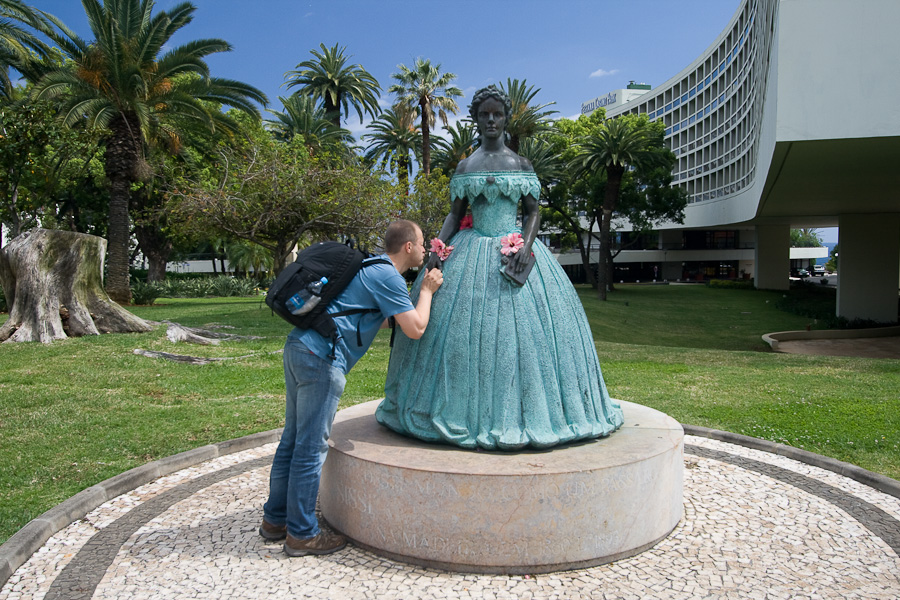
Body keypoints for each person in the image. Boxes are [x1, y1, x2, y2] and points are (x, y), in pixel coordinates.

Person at [376, 85, 624, 450]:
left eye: (497, 114)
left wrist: (524, 247)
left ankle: (532, 411)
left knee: (528, 338)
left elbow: (533, 212)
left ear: (506, 119)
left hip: (516, 252)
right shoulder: (465, 166)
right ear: (475, 120)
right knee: (457, 338)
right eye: (484, 114)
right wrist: (438, 250)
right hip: (469, 252)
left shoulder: (521, 165)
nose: (491, 120)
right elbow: (455, 214)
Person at [260, 220, 443, 556]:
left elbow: (380, 317)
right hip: (321, 358)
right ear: (407, 247)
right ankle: (301, 534)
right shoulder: (387, 274)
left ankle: (275, 520)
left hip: (299, 346)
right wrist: (427, 291)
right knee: (310, 448)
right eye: (421, 244)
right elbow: (415, 328)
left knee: (292, 440)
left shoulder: (370, 269)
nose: (424, 250)